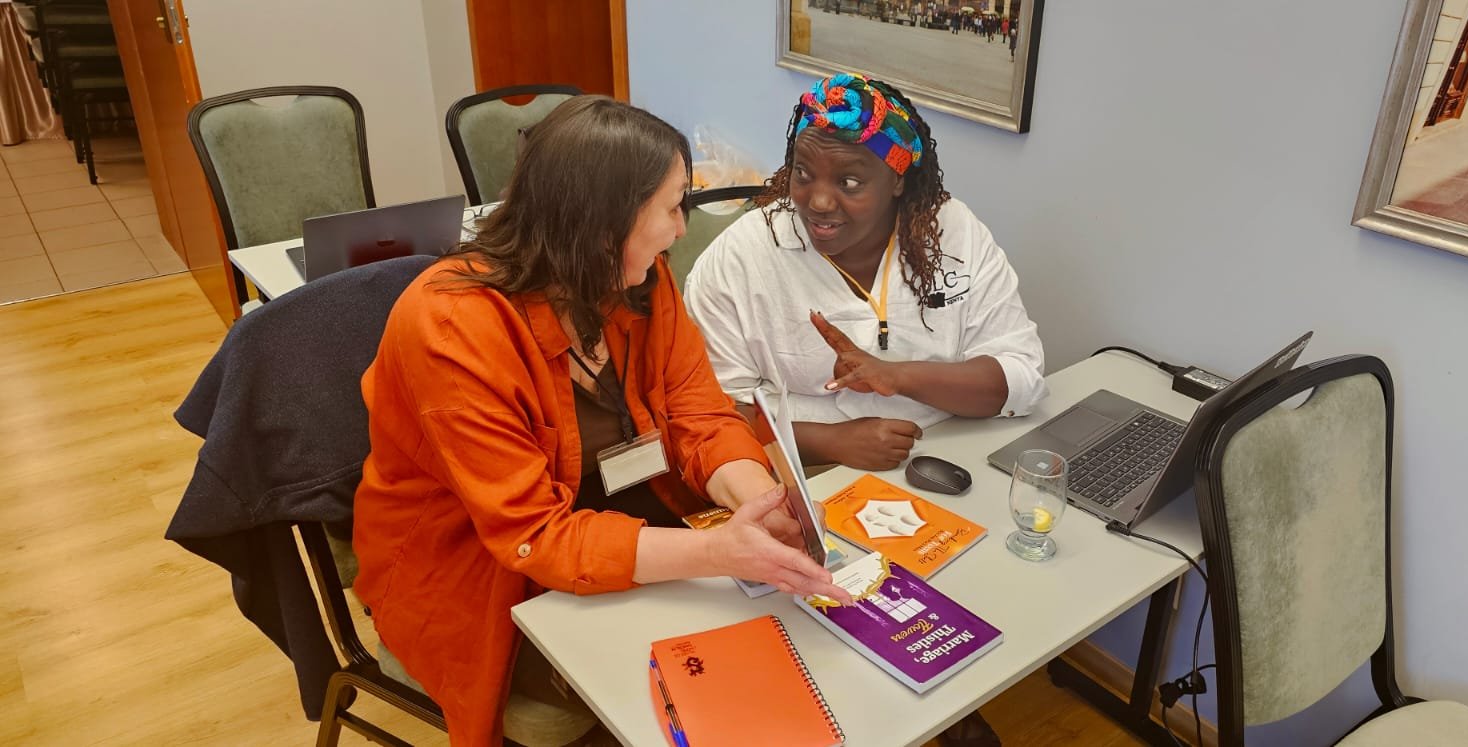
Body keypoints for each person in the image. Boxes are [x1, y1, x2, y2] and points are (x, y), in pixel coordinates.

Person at [354, 95, 848, 747]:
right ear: (600, 224)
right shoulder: (451, 328)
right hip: (477, 565)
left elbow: (698, 410)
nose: (681, 229)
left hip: (613, 510)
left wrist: (760, 502)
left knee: (758, 640)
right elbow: (532, 534)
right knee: (665, 691)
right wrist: (714, 551)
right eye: (672, 207)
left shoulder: (638, 277)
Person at [683, 72, 1047, 474]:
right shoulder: (740, 258)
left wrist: (897, 376)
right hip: (803, 471)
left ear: (897, 180)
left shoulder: (951, 232)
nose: (819, 202)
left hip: (953, 452)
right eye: (803, 174)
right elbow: (710, 415)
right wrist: (832, 442)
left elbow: (1021, 378)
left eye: (849, 182)